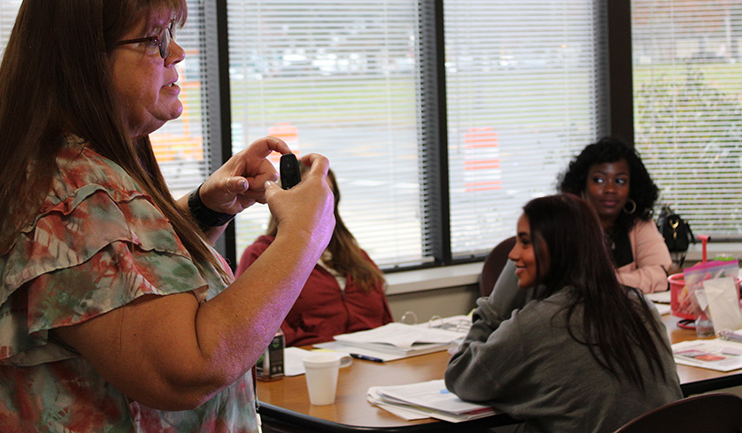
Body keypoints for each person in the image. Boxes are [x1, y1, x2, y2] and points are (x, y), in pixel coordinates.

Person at [0, 0, 335, 432]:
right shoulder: (69, 197)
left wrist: (203, 212)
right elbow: (186, 370)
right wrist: (303, 234)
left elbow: (115, 286)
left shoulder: (47, 172)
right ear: (83, 63)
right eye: (155, 40)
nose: (177, 54)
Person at [445, 194, 682, 433]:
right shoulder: (641, 306)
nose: (513, 255)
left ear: (559, 249)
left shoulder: (535, 326)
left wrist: (494, 308)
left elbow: (460, 376)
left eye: (525, 243)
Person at [237, 164, 392, 346]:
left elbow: (388, 327)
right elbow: (263, 331)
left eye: (327, 194)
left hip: (375, 359)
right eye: (311, 194)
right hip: (310, 361)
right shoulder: (260, 255)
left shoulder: (357, 257)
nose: (320, 202)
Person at [558, 137, 671, 293]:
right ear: (581, 185)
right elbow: (573, 287)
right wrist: (643, 279)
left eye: (620, 181)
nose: (610, 189)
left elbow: (666, 272)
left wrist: (605, 282)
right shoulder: (565, 226)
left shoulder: (638, 222)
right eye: (599, 180)